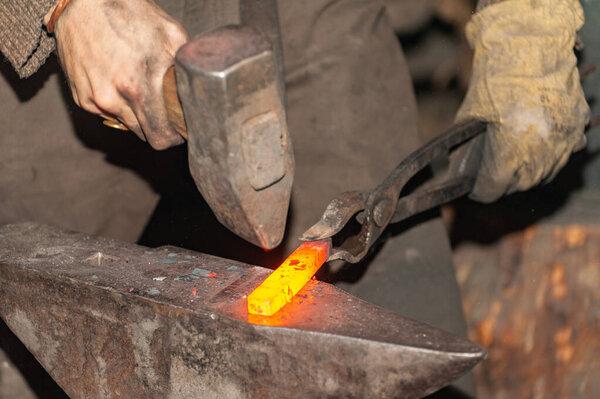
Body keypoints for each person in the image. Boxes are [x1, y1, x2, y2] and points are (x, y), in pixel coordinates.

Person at [0, 0, 589, 397]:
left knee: (406, 321)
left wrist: (526, 19)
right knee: (25, 324)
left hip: (306, 14)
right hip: (72, 40)